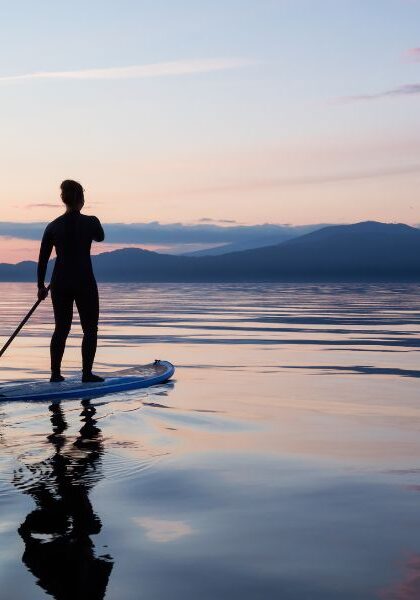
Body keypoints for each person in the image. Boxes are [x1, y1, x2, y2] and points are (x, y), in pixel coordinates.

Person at [37, 180, 105, 383]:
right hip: (84, 281)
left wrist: (40, 286)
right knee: (90, 329)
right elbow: (100, 237)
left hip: (60, 282)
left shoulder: (52, 226)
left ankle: (55, 374)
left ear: (64, 200)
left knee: (61, 328)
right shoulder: (91, 221)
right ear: (81, 200)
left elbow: (42, 260)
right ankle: (86, 374)